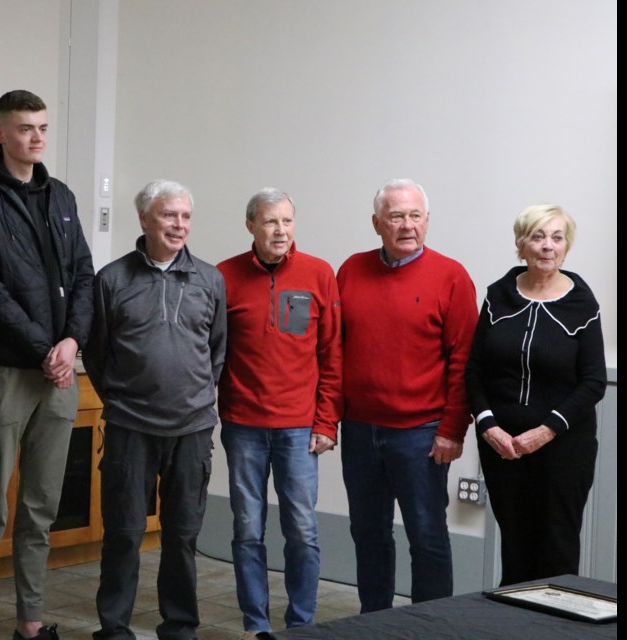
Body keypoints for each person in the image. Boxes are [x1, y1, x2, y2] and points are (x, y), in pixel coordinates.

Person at [0, 89, 94, 640]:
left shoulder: (60, 195)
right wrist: (43, 348)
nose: (36, 137)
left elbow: (83, 271)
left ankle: (30, 625)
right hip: (6, 370)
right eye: (24, 128)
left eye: (42, 128)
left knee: (41, 509)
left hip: (59, 371)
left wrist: (72, 342)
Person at [83, 179, 227, 640]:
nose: (179, 225)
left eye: (185, 216)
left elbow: (217, 351)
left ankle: (180, 625)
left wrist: (196, 394)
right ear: (144, 218)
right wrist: (123, 398)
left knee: (182, 535)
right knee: (123, 533)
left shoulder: (209, 279)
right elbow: (96, 353)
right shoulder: (112, 280)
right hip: (130, 427)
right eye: (169, 215)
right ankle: (114, 627)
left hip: (192, 429)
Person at [336, 178, 477, 612]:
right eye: (396, 216)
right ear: (377, 222)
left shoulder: (451, 277)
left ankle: (430, 628)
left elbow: (464, 362)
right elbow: (333, 350)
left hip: (421, 432)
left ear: (428, 221)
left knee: (427, 535)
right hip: (360, 431)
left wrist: (452, 430)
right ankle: (374, 622)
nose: (407, 225)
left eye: (415, 215)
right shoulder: (350, 270)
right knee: (369, 533)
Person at [216, 188, 343, 635]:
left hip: (299, 428)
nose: (280, 231)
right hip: (242, 426)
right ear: (250, 225)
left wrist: (327, 421)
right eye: (271, 222)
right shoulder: (224, 276)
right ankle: (255, 624)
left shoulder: (319, 274)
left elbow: (332, 354)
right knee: (248, 530)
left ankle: (300, 625)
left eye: (287, 221)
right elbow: (213, 353)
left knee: (303, 533)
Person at [465, 204, 605, 586]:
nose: (547, 246)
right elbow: (475, 369)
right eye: (538, 236)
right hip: (503, 446)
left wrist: (545, 431)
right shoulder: (498, 296)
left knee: (556, 548)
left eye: (557, 238)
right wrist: (488, 426)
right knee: (515, 543)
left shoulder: (582, 303)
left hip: (563, 449)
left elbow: (593, 381)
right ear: (521, 244)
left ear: (566, 246)